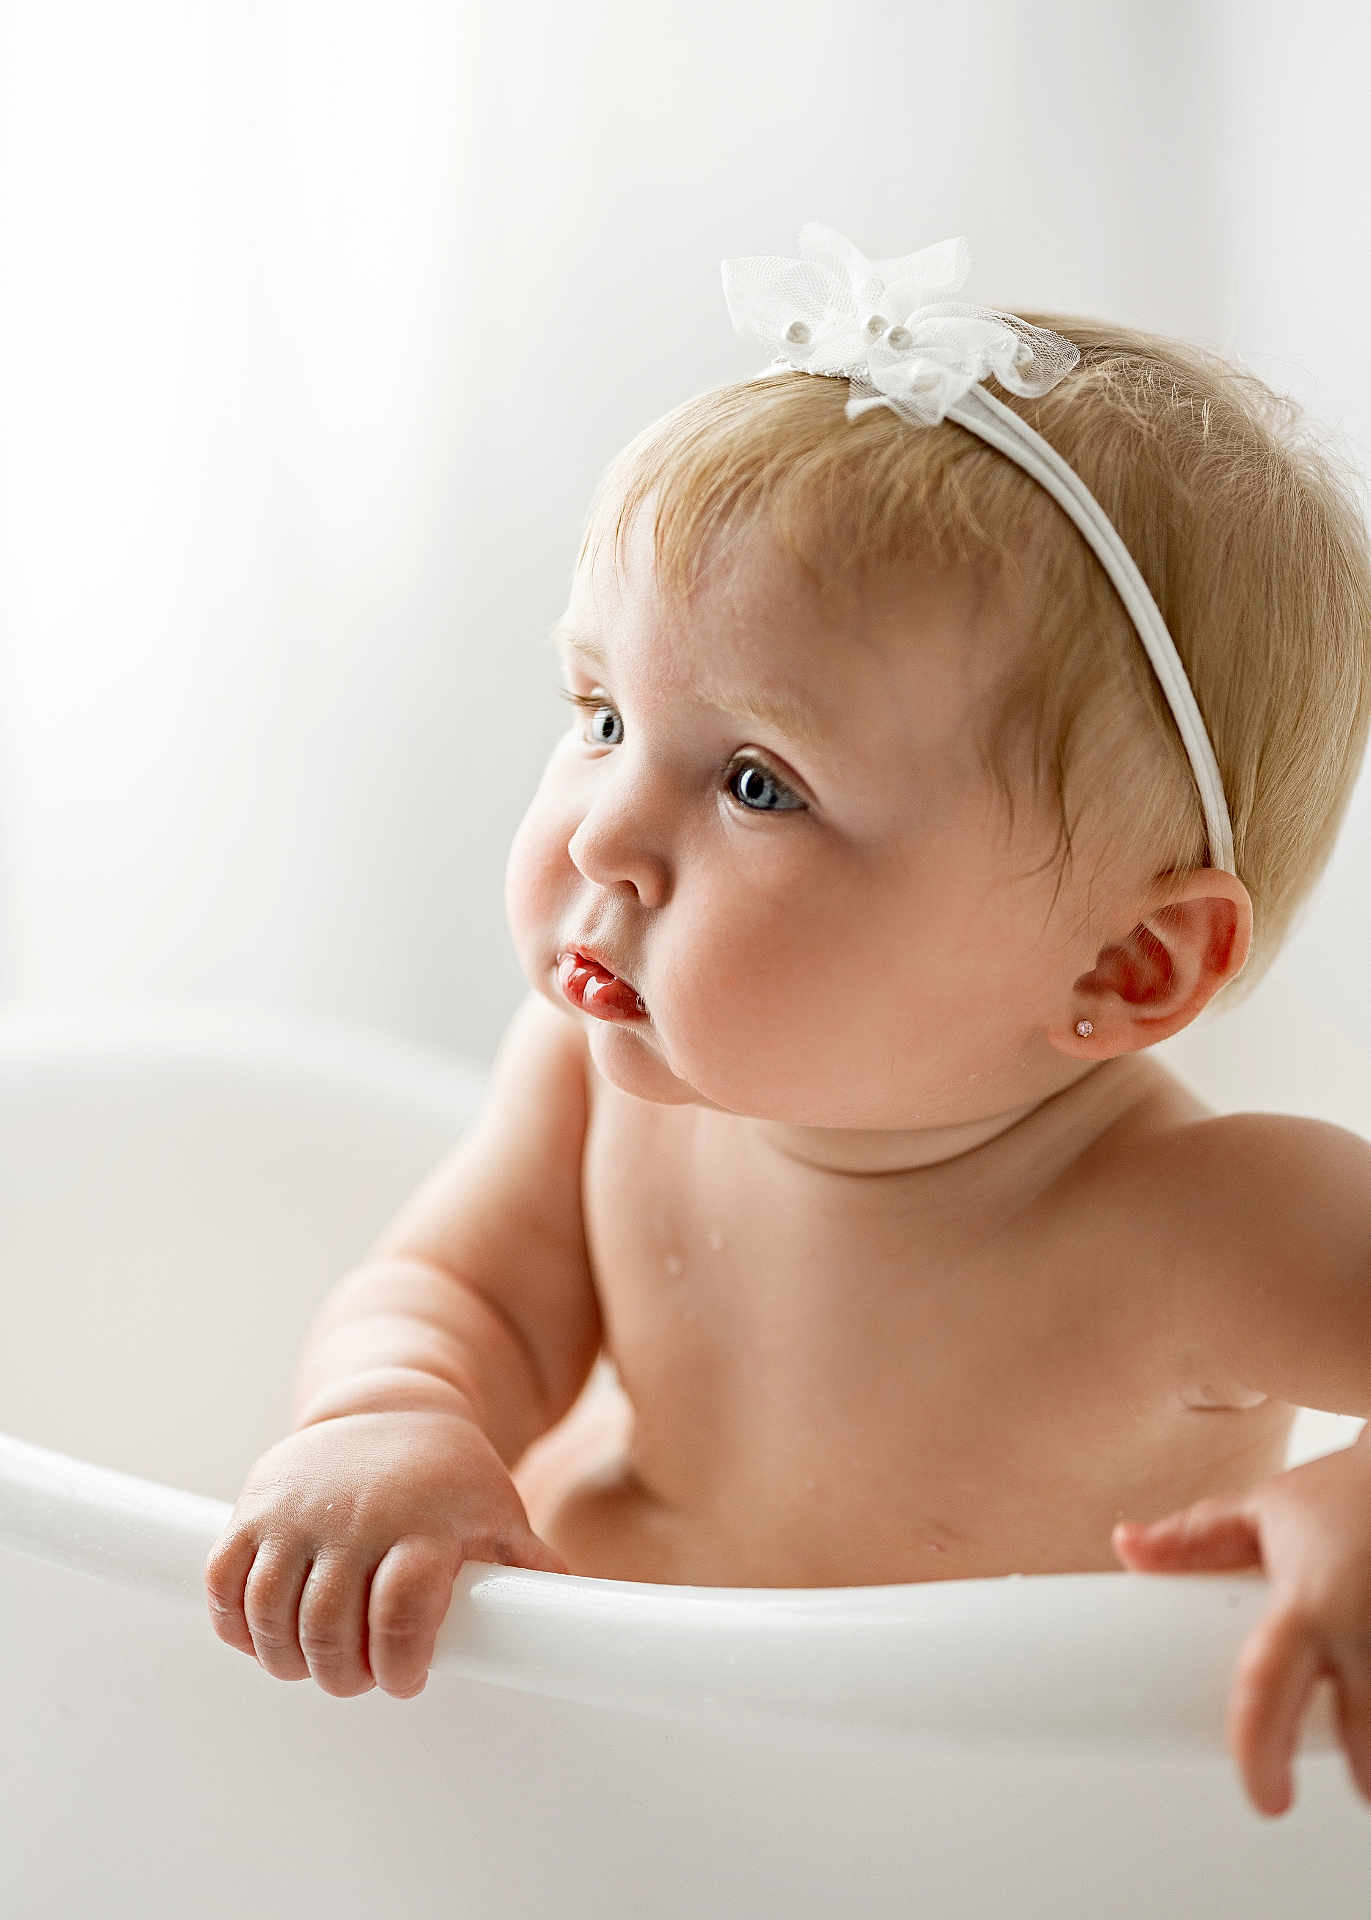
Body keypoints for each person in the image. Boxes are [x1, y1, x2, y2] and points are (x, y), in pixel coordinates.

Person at [205, 226, 1371, 1824]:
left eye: (759, 783)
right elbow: (460, 1292)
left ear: (1132, 967)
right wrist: (394, 1414)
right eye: (604, 716)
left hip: (933, 1843)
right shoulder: (601, 1081)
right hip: (574, 1761)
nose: (608, 830)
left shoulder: (1216, 1229)